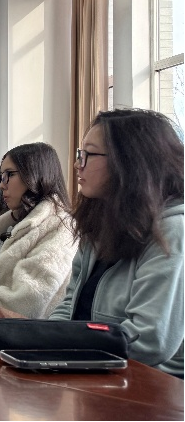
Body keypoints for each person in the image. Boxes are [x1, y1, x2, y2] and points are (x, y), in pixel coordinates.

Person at [49, 108, 184, 378]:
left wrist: (63, 347)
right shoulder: (100, 223)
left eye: (88, 154)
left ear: (130, 161)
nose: (77, 164)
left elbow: (149, 340)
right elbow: (69, 306)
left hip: (154, 384)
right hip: (95, 370)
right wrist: (42, 341)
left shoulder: (173, 231)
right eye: (79, 154)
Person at [0, 143, 77, 319]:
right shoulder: (17, 222)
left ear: (35, 175)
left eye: (9, 175)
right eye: (1, 177)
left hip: (24, 332)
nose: (2, 185)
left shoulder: (61, 226)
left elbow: (27, 300)